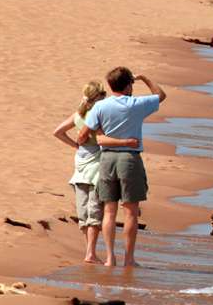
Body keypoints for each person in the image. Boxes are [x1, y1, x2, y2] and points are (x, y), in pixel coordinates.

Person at [79, 67, 166, 267]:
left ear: (109, 85)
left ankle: (110, 257)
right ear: (128, 85)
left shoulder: (100, 106)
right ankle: (129, 258)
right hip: (129, 158)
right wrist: (143, 76)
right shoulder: (135, 103)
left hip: (107, 158)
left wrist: (102, 137)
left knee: (109, 210)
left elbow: (84, 134)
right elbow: (160, 95)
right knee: (130, 211)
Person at [53, 80, 139, 264]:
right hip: (97, 165)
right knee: (94, 211)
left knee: (84, 210)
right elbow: (101, 139)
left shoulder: (79, 114)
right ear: (97, 98)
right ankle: (91, 253)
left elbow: (58, 132)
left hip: (80, 165)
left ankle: (90, 251)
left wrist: (76, 146)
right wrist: (126, 143)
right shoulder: (97, 116)